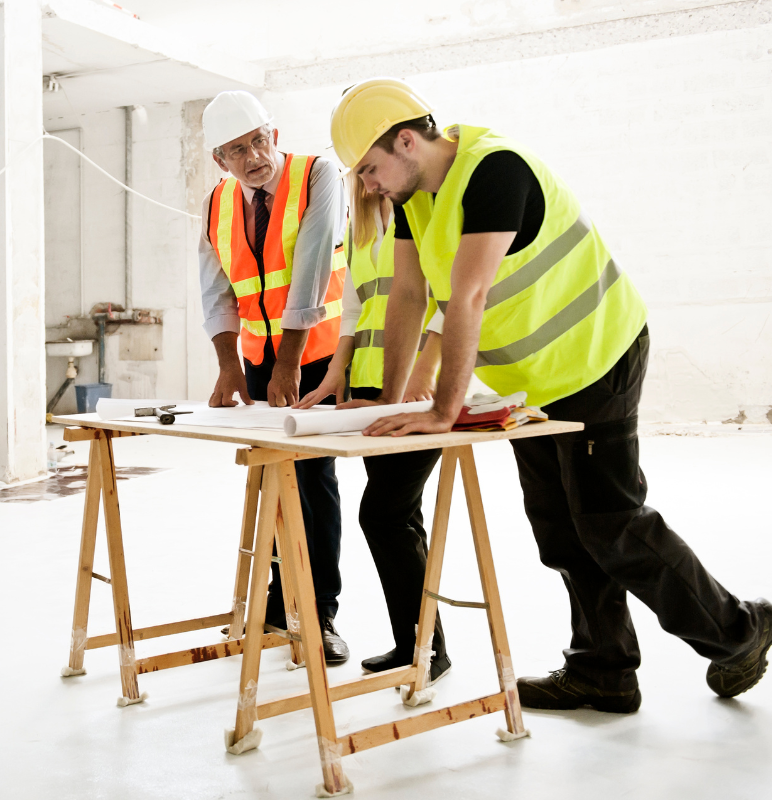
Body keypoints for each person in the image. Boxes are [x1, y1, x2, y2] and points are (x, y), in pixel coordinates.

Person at [327, 78, 771, 711]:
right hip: (533, 382)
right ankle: (603, 671)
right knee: (561, 531)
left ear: (406, 140)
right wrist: (394, 402)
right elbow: (407, 294)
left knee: (611, 524)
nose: (367, 184)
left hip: (596, 356)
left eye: (370, 168)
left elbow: (471, 295)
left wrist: (442, 411)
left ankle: (740, 630)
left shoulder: (494, 171)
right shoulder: (413, 195)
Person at [199, 91, 349, 663]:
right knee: (273, 484)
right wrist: (229, 368)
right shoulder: (217, 204)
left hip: (314, 358)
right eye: (238, 149)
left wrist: (287, 364)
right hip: (263, 363)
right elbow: (215, 289)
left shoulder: (318, 174)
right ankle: (277, 604)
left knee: (312, 485)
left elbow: (311, 269)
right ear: (221, 160)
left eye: (260, 139)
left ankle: (320, 614)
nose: (254, 155)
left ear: (275, 134)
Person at [295, 174, 452, 681]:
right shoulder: (360, 234)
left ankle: (424, 648)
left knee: (386, 515)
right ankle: (420, 647)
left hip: (414, 395)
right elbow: (356, 310)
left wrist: (421, 377)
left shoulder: (426, 215)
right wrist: (334, 375)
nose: (368, 181)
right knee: (398, 518)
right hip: (370, 396)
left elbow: (452, 300)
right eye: (358, 173)